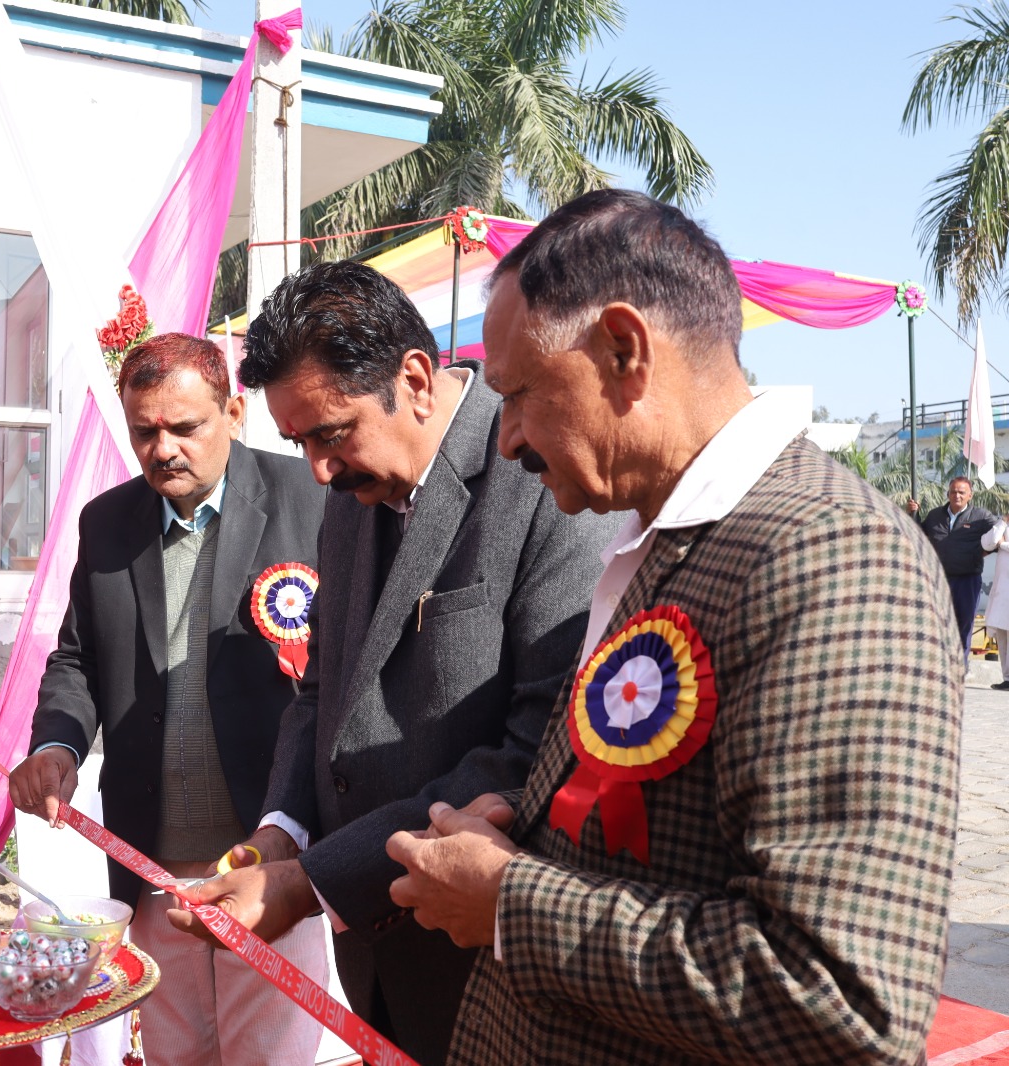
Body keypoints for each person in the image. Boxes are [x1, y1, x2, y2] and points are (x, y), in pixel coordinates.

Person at [384, 190, 961, 1065]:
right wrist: (533, 831)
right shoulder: (670, 535)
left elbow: (840, 997)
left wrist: (510, 902)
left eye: (519, 394)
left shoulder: (833, 555)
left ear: (624, 351)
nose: (505, 441)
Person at [169, 262, 619, 1064]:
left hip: (492, 979)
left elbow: (536, 751)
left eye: (330, 433)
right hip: (379, 967)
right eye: (300, 443)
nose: (318, 469)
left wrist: (314, 881)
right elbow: (321, 691)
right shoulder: (351, 501)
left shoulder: (541, 476)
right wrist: (281, 831)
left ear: (414, 380)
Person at [8, 332, 330, 1066]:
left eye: (185, 427)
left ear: (234, 413)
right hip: (151, 870)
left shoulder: (310, 499)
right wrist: (55, 743)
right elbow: (78, 658)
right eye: (144, 431)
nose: (163, 450)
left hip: (268, 868)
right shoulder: (107, 523)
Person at [911, 477, 994, 654]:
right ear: (948, 494)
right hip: (938, 580)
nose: (957, 495)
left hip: (967, 580)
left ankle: (961, 667)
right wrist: (913, 514)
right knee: (936, 626)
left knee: (963, 626)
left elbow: (996, 538)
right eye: (953, 492)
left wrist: (979, 553)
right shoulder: (934, 515)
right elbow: (919, 535)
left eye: (961, 492)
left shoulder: (981, 517)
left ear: (970, 495)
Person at [981, 514, 1009, 690]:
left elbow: (999, 544)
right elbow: (987, 544)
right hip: (1001, 590)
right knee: (1002, 634)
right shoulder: (1003, 523)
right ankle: (1007, 678)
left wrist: (1003, 545)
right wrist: (1003, 522)